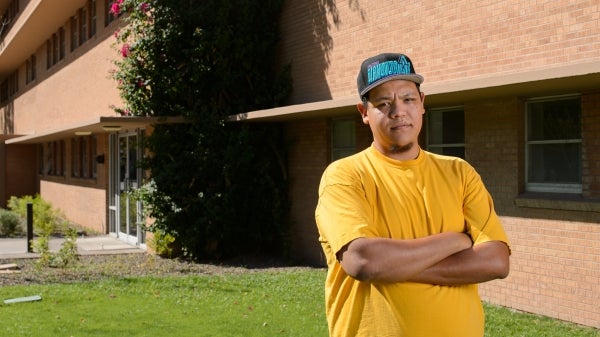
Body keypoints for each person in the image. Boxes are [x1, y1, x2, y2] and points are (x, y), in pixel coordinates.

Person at [315, 53, 511, 337]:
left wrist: (393, 266)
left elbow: (496, 261)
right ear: (363, 112)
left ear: (422, 104)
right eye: (383, 103)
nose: (398, 111)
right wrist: (455, 240)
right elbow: (364, 261)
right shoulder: (344, 176)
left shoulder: (460, 173)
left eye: (408, 99)